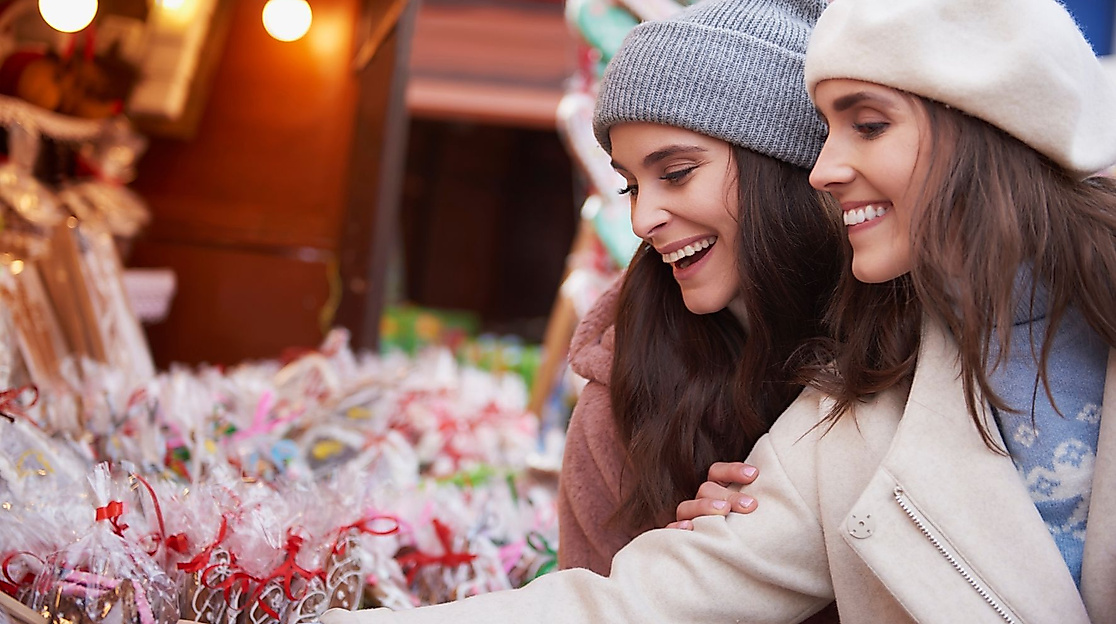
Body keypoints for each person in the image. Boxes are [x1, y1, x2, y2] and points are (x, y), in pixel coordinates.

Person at [319, 0, 1116, 621]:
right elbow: (622, 604)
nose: (825, 167)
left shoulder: (889, 350)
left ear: (988, 123)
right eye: (632, 184)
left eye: (865, 124)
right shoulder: (850, 405)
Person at [556, 0, 841, 590]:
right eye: (630, 185)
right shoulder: (621, 402)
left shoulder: (914, 345)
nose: (641, 220)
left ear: (784, 164)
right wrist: (684, 576)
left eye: (677, 172)